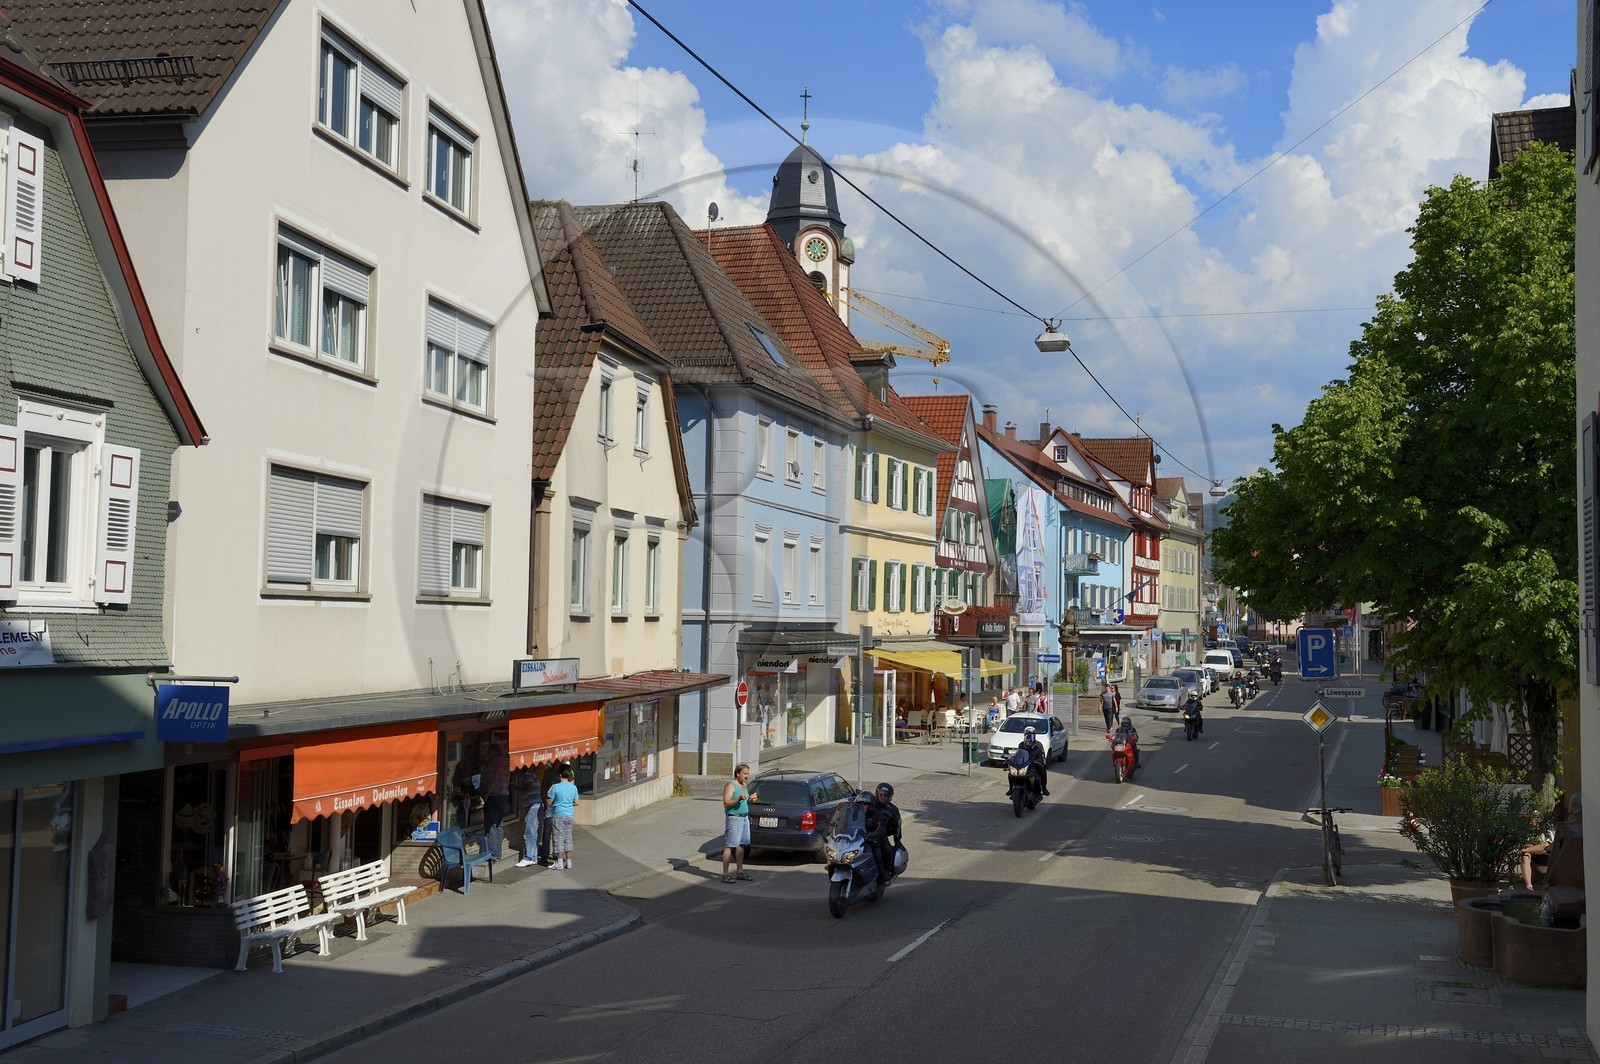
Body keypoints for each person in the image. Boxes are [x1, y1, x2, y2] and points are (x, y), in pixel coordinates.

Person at [721, 763, 757, 883]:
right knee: (729, 846)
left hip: (744, 818)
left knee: (741, 845)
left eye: (748, 773)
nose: (747, 776)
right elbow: (726, 803)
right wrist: (738, 799)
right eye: (745, 773)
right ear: (738, 773)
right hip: (734, 818)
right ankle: (725, 875)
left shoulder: (744, 785)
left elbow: (744, 800)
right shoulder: (731, 785)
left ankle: (739, 872)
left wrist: (750, 799)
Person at [867, 783, 903, 883]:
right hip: (864, 833)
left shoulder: (892, 810)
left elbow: (898, 825)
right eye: (880, 794)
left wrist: (897, 840)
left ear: (889, 796)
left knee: (884, 852)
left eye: (885, 795)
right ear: (876, 794)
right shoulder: (869, 804)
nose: (882, 797)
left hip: (880, 836)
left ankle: (885, 873)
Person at [479, 742, 510, 860]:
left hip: (493, 796)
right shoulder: (506, 762)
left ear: (495, 752)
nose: (487, 754)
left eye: (489, 751)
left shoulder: (493, 764)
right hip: (504, 796)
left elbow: (492, 782)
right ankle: (498, 852)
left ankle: (492, 853)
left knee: (491, 825)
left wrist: (484, 797)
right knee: (498, 825)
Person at [545, 765, 579, 870]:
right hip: (569, 815)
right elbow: (577, 802)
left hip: (558, 815)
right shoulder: (573, 787)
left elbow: (549, 802)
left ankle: (559, 862)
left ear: (559, 775)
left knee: (558, 838)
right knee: (568, 837)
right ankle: (569, 862)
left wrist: (549, 791)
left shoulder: (556, 787)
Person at [515, 771, 543, 868]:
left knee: (529, 832)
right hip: (536, 805)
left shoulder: (528, 775)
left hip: (532, 806)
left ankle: (528, 857)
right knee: (534, 832)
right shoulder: (532, 774)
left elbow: (528, 788)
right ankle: (534, 857)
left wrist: (515, 788)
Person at [1018, 726, 1049, 796]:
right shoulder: (1021, 745)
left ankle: (1044, 788)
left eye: (1031, 734)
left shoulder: (1038, 745)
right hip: (1024, 765)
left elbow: (1042, 755)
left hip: (1034, 765)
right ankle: (1011, 788)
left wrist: (1039, 760)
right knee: (1011, 774)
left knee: (1043, 771)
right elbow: (1018, 753)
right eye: (1027, 734)